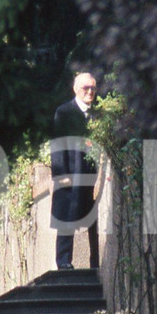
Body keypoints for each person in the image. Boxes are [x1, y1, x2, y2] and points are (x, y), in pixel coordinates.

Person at [50, 71, 100, 270]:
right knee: (66, 217)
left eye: (93, 88)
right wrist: (61, 174)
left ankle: (95, 261)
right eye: (85, 88)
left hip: (91, 176)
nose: (90, 92)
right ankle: (63, 262)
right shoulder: (64, 112)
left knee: (93, 221)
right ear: (75, 89)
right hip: (71, 173)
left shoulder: (98, 114)